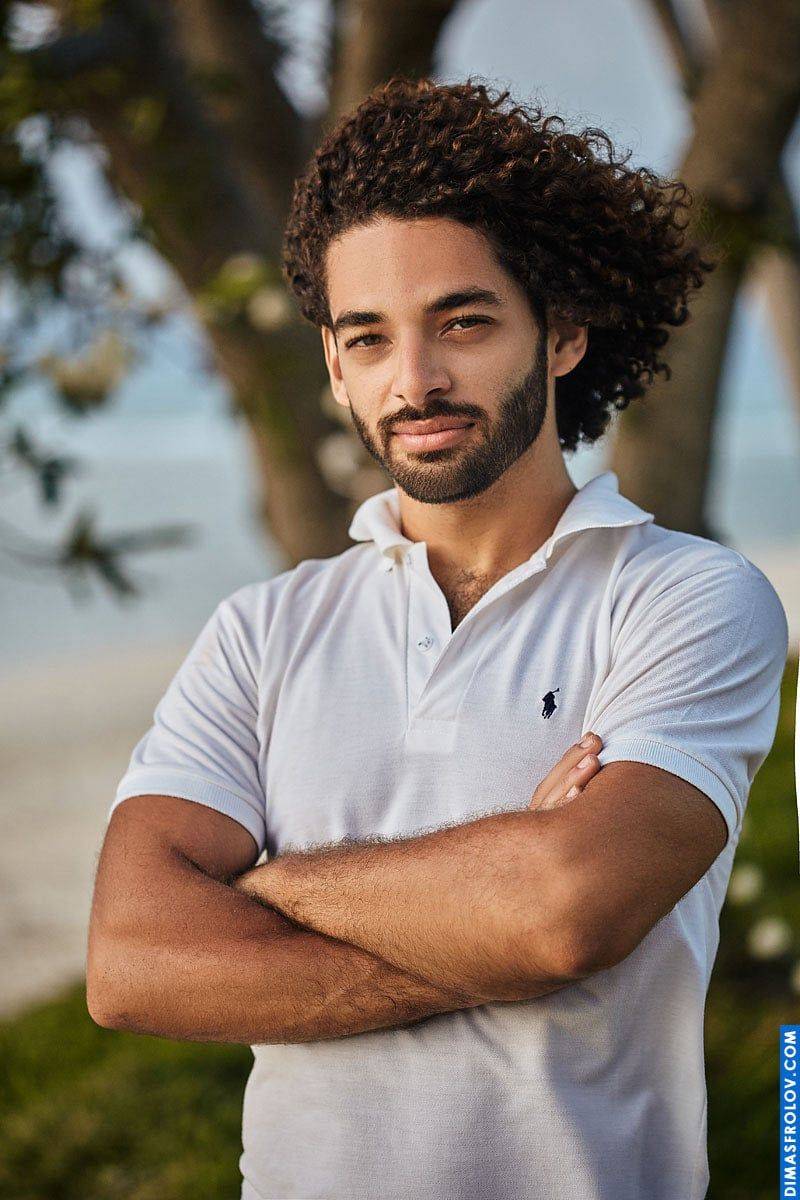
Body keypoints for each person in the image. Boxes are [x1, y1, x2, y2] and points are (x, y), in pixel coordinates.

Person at [87, 76, 789, 1200]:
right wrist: (486, 919)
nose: (412, 381)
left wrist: (264, 885)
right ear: (331, 365)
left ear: (561, 333)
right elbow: (128, 967)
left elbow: (565, 914)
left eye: (461, 323)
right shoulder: (263, 631)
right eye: (367, 338)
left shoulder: (685, 599)